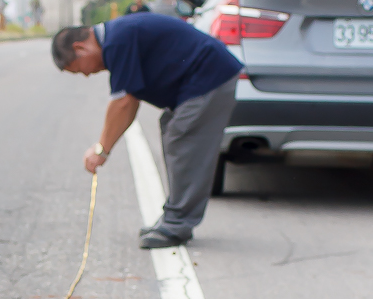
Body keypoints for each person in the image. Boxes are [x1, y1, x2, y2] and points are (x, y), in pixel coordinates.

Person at [51, 13, 243, 248]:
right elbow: (128, 102)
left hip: (210, 78)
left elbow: (124, 103)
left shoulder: (117, 41)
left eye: (79, 69)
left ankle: (177, 224)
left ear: (80, 47)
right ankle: (175, 216)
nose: (87, 74)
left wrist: (102, 150)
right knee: (172, 129)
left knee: (183, 138)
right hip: (201, 81)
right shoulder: (116, 38)